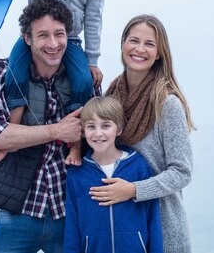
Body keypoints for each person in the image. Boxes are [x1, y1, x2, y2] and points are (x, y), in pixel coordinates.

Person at [0, 0, 87, 253]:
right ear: (27, 39)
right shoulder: (1, 73)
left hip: (69, 213)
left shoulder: (83, 80)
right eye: (43, 35)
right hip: (18, 210)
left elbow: (99, 135)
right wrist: (57, 131)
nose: (53, 44)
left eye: (59, 35)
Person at [3, 0, 106, 166]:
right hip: (34, 37)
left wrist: (92, 60)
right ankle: (11, 135)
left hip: (69, 40)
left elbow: (93, 19)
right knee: (14, 72)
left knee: (83, 81)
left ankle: (75, 147)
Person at [89, 15, 195, 253]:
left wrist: (133, 190)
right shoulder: (111, 97)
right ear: (123, 44)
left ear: (159, 53)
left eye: (149, 44)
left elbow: (182, 172)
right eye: (134, 40)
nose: (139, 49)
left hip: (163, 228)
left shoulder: (167, 104)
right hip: (121, 228)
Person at [64, 96, 163, 253]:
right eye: (91, 127)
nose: (98, 133)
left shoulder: (138, 166)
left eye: (105, 126)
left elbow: (153, 219)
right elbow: (72, 226)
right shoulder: (77, 174)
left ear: (119, 129)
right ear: (83, 131)